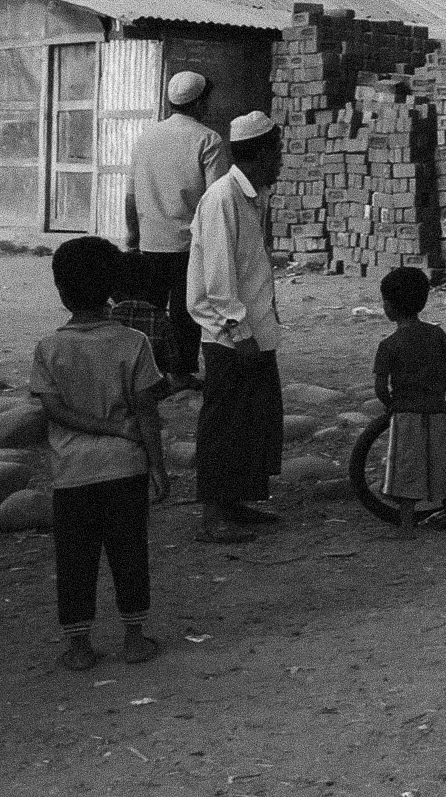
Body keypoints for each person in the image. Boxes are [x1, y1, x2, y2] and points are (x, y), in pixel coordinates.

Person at [33, 237, 169, 672]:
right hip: (125, 467)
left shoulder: (49, 347)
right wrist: (158, 467)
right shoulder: (134, 343)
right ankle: (133, 638)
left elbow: (53, 411)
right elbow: (147, 412)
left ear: (60, 290)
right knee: (129, 554)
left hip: (72, 473)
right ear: (112, 288)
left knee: (75, 560)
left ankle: (79, 646)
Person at [187, 111, 286, 544]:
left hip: (254, 330)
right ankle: (213, 512)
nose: (281, 161)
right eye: (277, 152)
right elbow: (218, 276)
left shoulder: (252, 196)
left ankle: (234, 502)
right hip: (232, 337)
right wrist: (239, 331)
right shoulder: (222, 197)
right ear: (261, 153)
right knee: (224, 423)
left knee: (252, 421)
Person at [126, 71, 231, 396]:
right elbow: (216, 197)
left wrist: (132, 238)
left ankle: (147, 373)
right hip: (190, 243)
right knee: (187, 311)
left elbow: (131, 195)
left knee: (150, 310)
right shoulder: (208, 139)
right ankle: (181, 373)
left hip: (151, 241)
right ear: (199, 102)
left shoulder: (146, 137)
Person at [373, 267, 446, 539]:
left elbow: (380, 387)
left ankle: (407, 527)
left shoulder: (388, 345)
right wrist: (438, 394)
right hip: (437, 409)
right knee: (443, 464)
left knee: (406, 467)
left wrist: (392, 404)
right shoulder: (437, 335)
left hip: (406, 413)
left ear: (389, 306)